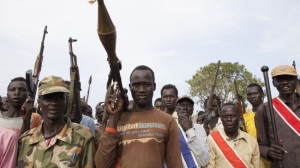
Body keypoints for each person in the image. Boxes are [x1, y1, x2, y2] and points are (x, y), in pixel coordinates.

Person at [95, 65, 183, 168]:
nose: (141, 89)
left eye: (146, 85)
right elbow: (101, 165)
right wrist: (113, 118)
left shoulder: (168, 121)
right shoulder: (116, 121)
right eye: (136, 85)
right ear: (130, 87)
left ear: (154, 86)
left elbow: (175, 164)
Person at [17, 75, 95, 167]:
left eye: (59, 98)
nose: (54, 103)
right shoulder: (26, 140)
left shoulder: (83, 136)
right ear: (39, 102)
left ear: (66, 101)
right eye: (48, 98)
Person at [255, 65, 300, 168]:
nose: (284, 82)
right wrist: (268, 152)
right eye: (279, 79)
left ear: (296, 81)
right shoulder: (264, 110)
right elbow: (261, 145)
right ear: (273, 83)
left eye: (289, 78)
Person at [207, 103, 260, 168]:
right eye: (225, 116)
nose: (229, 119)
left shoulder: (252, 141)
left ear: (238, 117)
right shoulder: (212, 139)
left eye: (232, 116)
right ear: (221, 119)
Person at [176, 95, 209, 167]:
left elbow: (204, 160)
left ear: (192, 110)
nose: (185, 108)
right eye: (182, 105)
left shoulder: (199, 128)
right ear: (176, 108)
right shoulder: (171, 127)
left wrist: (189, 130)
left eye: (188, 105)